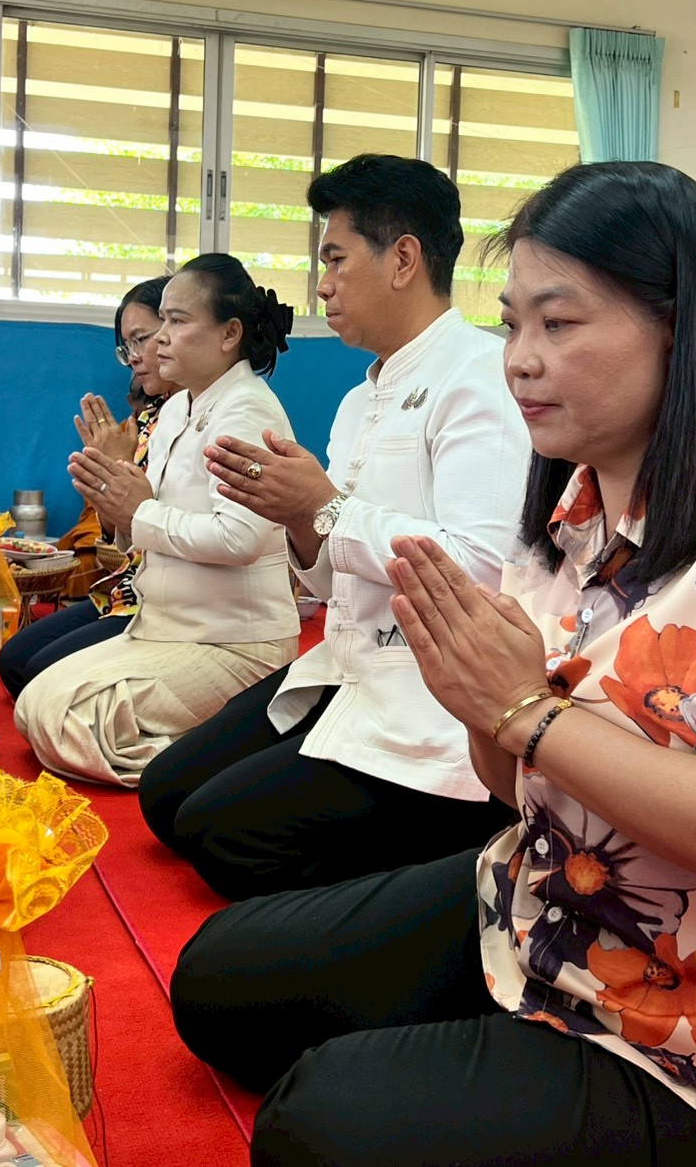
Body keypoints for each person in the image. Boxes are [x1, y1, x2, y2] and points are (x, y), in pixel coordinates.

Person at [170, 160, 696, 1167]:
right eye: (512, 324)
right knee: (215, 982)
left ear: (678, 325)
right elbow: (510, 779)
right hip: (537, 901)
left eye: (558, 325)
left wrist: (527, 711)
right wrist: (487, 710)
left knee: (312, 1121)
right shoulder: (572, 508)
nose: (519, 360)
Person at [138, 153, 529, 898]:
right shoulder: (360, 399)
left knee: (219, 834)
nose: (321, 284)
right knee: (166, 796)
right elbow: (327, 571)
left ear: (404, 259)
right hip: (344, 662)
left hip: (425, 690)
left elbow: (482, 564)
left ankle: (453, 852)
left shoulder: (479, 376)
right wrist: (299, 519)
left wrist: (324, 508)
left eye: (335, 258)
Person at [15, 254, 301, 787]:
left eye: (177, 321)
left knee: (65, 721)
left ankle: (222, 762)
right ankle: (213, 748)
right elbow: (145, 520)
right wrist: (118, 504)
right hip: (164, 629)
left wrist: (138, 511)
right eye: (161, 321)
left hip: (233, 643)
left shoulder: (248, 411)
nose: (159, 340)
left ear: (229, 333)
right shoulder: (175, 409)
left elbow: (239, 537)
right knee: (34, 703)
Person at [0, 276, 173, 698]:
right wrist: (102, 484)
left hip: (166, 598)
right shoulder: (146, 421)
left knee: (39, 674)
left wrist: (120, 469)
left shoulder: (204, 416)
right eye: (125, 346)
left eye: (140, 340)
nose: (133, 357)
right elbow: (122, 534)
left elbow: (168, 517)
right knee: (13, 662)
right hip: (124, 584)